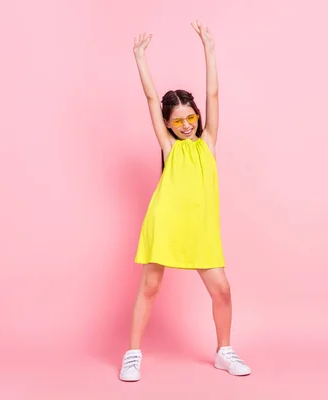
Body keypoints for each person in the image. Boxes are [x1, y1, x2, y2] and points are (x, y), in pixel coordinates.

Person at [119, 20, 251, 382]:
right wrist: (140, 59)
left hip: (200, 229)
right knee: (150, 286)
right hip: (166, 222)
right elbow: (150, 98)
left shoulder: (208, 142)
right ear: (168, 125)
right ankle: (132, 354)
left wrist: (209, 50)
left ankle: (224, 350)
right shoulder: (168, 147)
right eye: (179, 121)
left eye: (191, 117)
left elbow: (214, 96)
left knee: (222, 289)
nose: (188, 125)